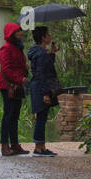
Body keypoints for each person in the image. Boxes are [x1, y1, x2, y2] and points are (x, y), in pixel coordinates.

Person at [27, 25, 61, 157]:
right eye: (48, 34)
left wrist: (51, 53)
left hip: (38, 87)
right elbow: (42, 74)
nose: (50, 36)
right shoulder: (40, 54)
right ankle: (38, 147)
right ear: (42, 37)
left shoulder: (40, 52)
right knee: (41, 117)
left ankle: (42, 146)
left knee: (42, 117)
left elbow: (47, 66)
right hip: (41, 88)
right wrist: (46, 93)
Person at [0, 21, 30, 156]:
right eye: (17, 31)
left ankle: (15, 144)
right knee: (8, 115)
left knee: (15, 115)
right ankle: (4, 145)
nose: (20, 33)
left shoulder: (18, 48)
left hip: (17, 85)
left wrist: (25, 70)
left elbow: (18, 65)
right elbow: (6, 69)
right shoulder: (6, 48)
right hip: (8, 86)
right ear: (11, 34)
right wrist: (19, 78)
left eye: (20, 30)